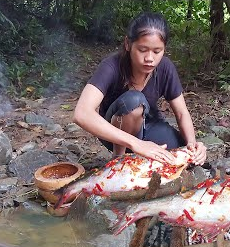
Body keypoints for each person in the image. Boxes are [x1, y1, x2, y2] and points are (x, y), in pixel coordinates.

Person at [73, 11, 206, 165]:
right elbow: (81, 113)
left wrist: (192, 144)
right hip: (114, 132)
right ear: (128, 44)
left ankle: (143, 155)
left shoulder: (165, 68)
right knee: (134, 100)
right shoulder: (111, 66)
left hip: (148, 127)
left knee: (185, 157)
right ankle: (118, 161)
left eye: (157, 51)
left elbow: (182, 113)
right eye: (142, 50)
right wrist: (136, 144)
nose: (150, 58)